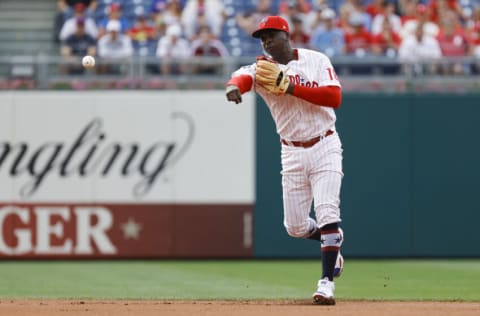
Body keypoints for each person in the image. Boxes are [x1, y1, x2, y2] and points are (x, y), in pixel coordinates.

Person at [225, 16, 344, 305]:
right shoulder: (262, 69)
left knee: (327, 210)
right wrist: (234, 88)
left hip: (324, 143)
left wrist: (291, 87)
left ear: (286, 36)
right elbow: (240, 77)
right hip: (291, 151)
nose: (265, 41)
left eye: (271, 35)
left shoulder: (316, 60)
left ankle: (326, 282)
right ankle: (333, 239)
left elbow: (334, 97)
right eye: (262, 37)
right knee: (295, 227)